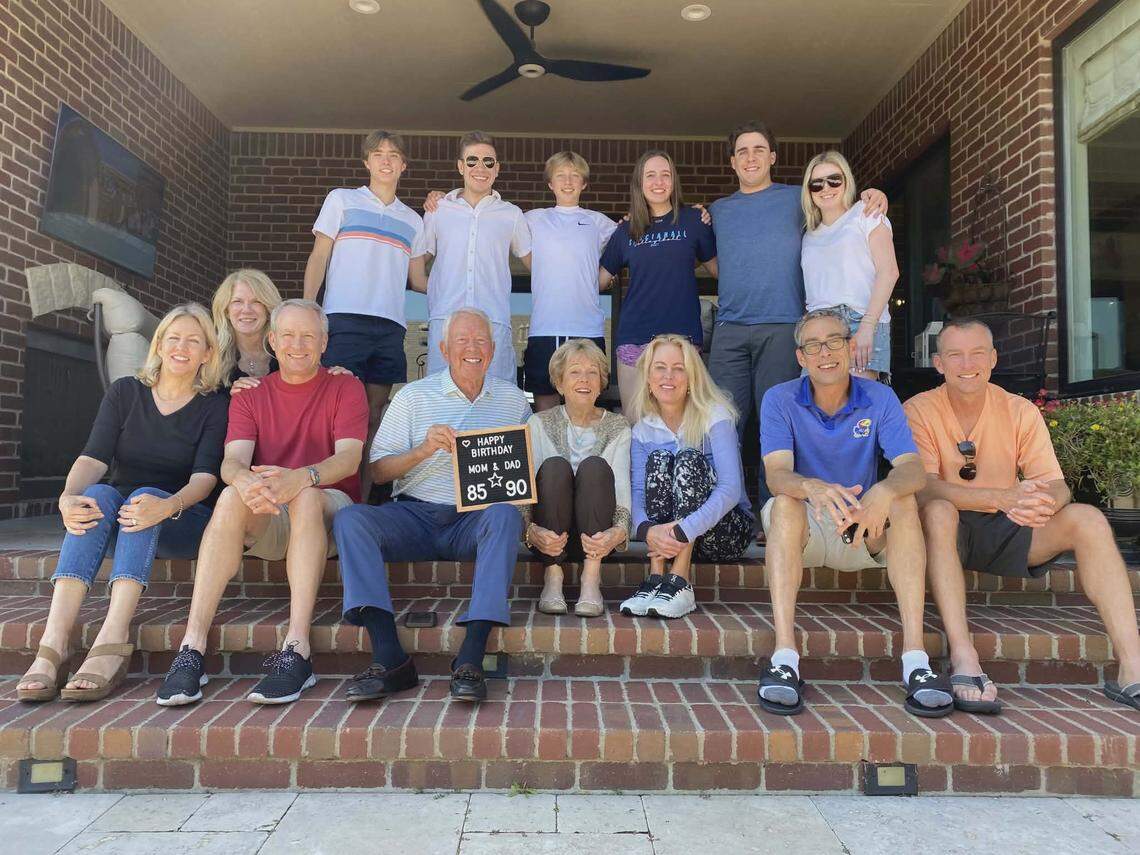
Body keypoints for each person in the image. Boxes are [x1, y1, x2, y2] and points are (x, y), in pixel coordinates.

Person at [905, 318, 1140, 714]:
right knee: (940, 510)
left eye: (978, 352)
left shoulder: (1018, 410)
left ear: (993, 358)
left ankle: (1132, 667)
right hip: (948, 531)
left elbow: (1056, 484)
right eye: (955, 354)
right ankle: (964, 655)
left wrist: (1041, 502)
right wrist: (1002, 497)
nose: (968, 363)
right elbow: (924, 487)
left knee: (1088, 519)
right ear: (939, 363)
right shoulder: (918, 409)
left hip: (1008, 528)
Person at [155, 299, 368, 707]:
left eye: (308, 336)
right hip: (273, 512)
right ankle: (191, 647)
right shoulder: (251, 394)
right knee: (232, 495)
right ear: (272, 341)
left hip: (331, 512)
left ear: (324, 343)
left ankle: (297, 649)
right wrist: (246, 481)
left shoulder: (346, 386)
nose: (297, 344)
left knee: (306, 498)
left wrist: (301, 477)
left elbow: (349, 458)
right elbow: (232, 461)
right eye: (287, 335)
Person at [17, 304, 228, 703]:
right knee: (95, 495)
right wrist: (66, 498)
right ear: (160, 345)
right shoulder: (126, 392)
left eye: (194, 341)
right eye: (174, 338)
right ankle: (55, 638)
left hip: (182, 518)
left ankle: (113, 635)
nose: (182, 348)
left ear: (207, 354)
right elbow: (93, 458)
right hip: (121, 518)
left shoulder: (214, 404)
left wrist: (166, 507)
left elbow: (206, 477)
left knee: (142, 498)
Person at [757, 308, 952, 718]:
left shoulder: (879, 397)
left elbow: (912, 468)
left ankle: (916, 660)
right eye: (813, 345)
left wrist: (883, 490)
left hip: (863, 525)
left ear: (850, 348)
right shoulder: (780, 398)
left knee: (902, 498)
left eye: (833, 342)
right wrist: (811, 486)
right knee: (785, 503)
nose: (824, 352)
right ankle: (784, 658)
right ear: (801, 357)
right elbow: (776, 474)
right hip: (806, 525)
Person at [332, 308, 531, 703]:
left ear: (492, 350)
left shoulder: (512, 400)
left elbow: (523, 471)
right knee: (352, 520)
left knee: (506, 515)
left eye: (480, 342)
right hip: (414, 515)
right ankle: (389, 657)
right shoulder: (413, 396)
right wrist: (422, 450)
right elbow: (379, 470)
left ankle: (471, 656)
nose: (472, 349)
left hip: (474, 521)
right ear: (443, 348)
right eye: (462, 341)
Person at [707, 121, 887, 504]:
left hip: (784, 325)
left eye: (759, 149)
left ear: (772, 157)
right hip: (730, 328)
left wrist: (873, 193)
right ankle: (728, 511)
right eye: (742, 151)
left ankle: (772, 512)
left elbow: (840, 202)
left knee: (777, 423)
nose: (751, 157)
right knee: (724, 423)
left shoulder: (798, 199)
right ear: (732, 163)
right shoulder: (717, 210)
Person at [303, 131, 423, 494]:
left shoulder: (414, 220)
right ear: (367, 162)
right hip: (343, 318)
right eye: (378, 154)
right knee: (332, 411)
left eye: (393, 155)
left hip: (389, 327)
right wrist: (310, 308)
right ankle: (321, 494)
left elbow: (419, 280)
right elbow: (319, 256)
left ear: (403, 165)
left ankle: (362, 502)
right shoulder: (341, 200)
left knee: (374, 416)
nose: (386, 160)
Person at [619, 334, 753, 620]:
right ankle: (656, 579)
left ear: (692, 377)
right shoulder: (643, 429)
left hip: (724, 533)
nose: (669, 376)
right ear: (648, 378)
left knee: (688, 460)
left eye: (679, 368)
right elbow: (638, 496)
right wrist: (649, 532)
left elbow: (730, 489)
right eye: (660, 368)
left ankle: (680, 582)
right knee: (659, 460)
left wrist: (682, 530)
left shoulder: (714, 416)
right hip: (667, 540)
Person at [600, 150, 717, 420]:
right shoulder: (626, 230)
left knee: (684, 423)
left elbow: (719, 270)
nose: (658, 182)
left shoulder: (694, 221)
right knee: (635, 423)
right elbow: (599, 280)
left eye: (665, 175)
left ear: (674, 181)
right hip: (635, 337)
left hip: (682, 338)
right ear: (639, 183)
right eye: (650, 175)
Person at [409, 131, 532, 383]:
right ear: (460, 166)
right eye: (472, 160)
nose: (480, 167)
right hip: (446, 324)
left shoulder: (512, 214)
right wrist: (434, 290)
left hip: (494, 324)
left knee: (498, 404)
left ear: (497, 169)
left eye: (488, 161)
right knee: (441, 400)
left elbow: (538, 269)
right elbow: (418, 263)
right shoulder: (438, 210)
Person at [525, 339, 631, 616]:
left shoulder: (618, 426)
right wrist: (529, 531)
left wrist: (618, 532)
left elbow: (620, 485)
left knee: (595, 467)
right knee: (555, 467)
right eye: (574, 372)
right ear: (559, 383)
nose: (584, 379)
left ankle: (590, 579)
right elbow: (524, 490)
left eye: (592, 372)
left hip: (596, 538)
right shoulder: (538, 423)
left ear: (601, 382)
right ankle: (553, 576)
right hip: (550, 537)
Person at [522, 152, 618, 411]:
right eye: (561, 175)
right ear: (550, 183)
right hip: (545, 325)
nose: (568, 181)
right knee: (546, 401)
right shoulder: (532, 219)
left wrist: (604, 278)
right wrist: (444, 198)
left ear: (584, 183)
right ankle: (549, 453)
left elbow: (633, 237)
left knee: (586, 399)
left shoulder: (598, 222)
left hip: (586, 326)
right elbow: (494, 219)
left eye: (575, 175)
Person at [800, 150, 898, 380]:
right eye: (817, 184)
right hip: (819, 325)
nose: (826, 188)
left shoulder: (867, 214)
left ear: (846, 181)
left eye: (834, 179)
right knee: (816, 407)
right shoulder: (808, 234)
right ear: (809, 191)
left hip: (861, 318)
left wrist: (867, 326)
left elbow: (889, 272)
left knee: (858, 406)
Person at [211, 268, 281, 386]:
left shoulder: (286, 354)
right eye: (237, 301)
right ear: (226, 310)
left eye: (256, 301)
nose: (246, 310)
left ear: (268, 309)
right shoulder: (210, 358)